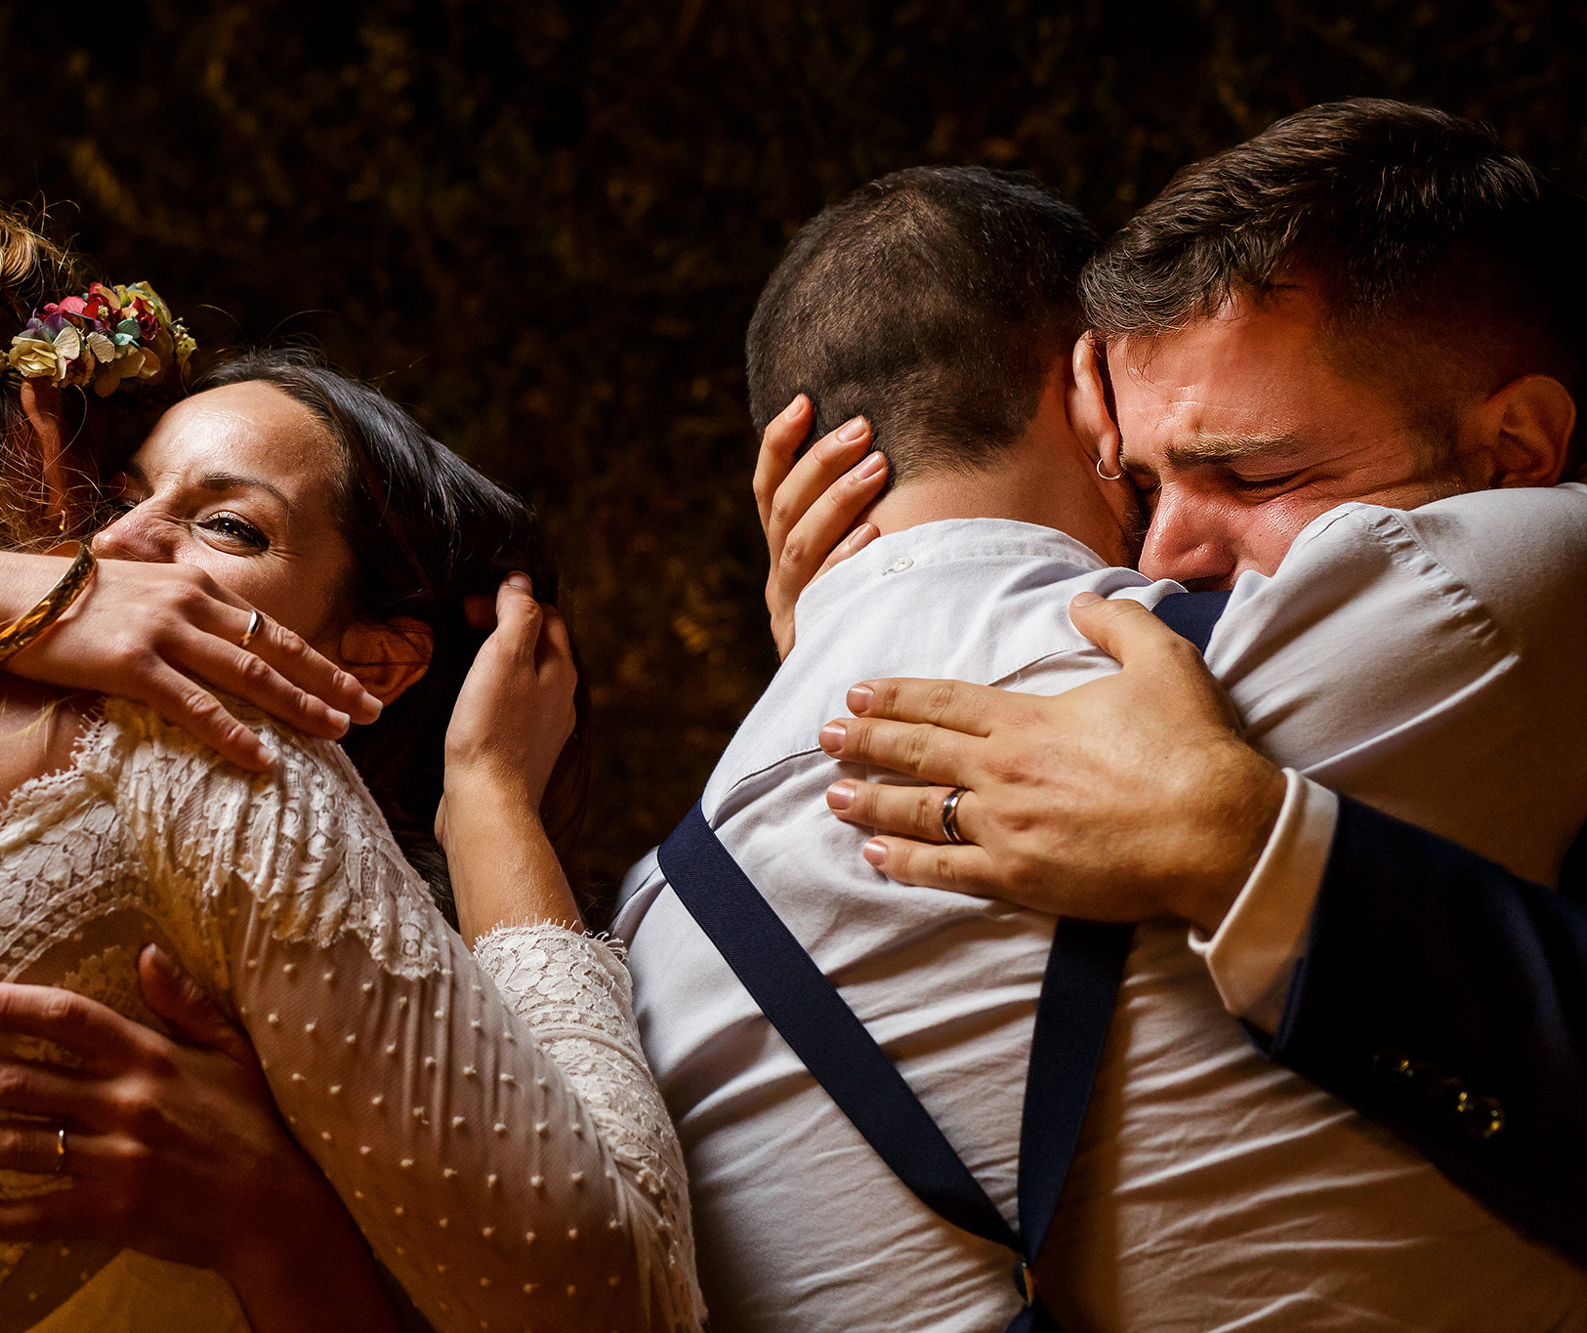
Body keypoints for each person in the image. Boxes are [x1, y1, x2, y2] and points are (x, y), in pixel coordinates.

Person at [0, 175, 701, 1333]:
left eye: (228, 525)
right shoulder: (174, 766)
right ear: (44, 441)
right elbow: (627, 1305)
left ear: (382, 661)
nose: (116, 551)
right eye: (112, 498)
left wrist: (276, 1225)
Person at [617, 147, 1587, 1332]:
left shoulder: (649, 921)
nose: (1161, 553)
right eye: (1138, 478)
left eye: (1251, 471)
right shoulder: (1402, 619)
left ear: (1519, 454)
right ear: (1086, 400)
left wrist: (1246, 847)